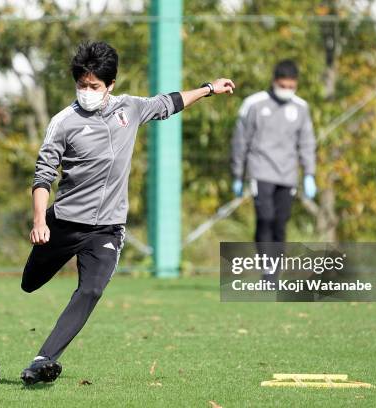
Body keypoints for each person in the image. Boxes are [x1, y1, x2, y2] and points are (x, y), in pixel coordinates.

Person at [20, 41, 235, 385]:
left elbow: (168, 103)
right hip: (63, 224)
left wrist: (208, 89)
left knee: (91, 290)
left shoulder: (129, 109)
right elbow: (44, 174)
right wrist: (39, 221)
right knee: (30, 284)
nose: (87, 92)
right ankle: (39, 271)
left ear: (111, 86)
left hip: (107, 229)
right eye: (81, 85)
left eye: (94, 86)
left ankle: (43, 360)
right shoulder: (63, 122)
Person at [230, 59, 316, 244]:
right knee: (266, 219)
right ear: (274, 81)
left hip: (287, 174)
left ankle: (273, 271)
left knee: (280, 223)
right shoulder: (254, 104)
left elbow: (307, 142)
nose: (286, 89)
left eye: (290, 86)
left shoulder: (301, 108)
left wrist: (309, 174)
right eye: (282, 85)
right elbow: (240, 141)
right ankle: (267, 267)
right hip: (261, 171)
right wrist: (237, 175)